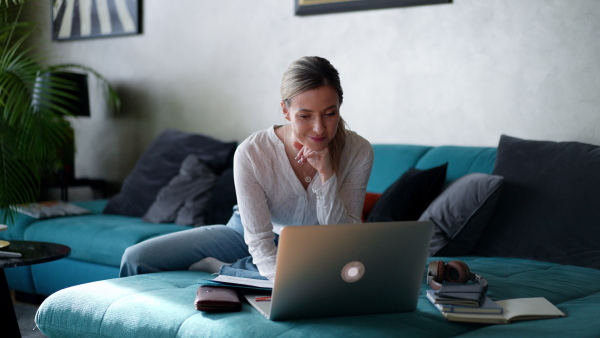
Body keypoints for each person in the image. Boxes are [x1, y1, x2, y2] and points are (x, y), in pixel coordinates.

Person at [119, 56, 373, 281]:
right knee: (137, 257)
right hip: (246, 234)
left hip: (316, 247)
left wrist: (327, 176)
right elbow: (259, 240)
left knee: (349, 274)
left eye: (330, 113)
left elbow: (345, 239)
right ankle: (236, 269)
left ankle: (224, 270)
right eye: (305, 116)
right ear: (285, 110)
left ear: (340, 106)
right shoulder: (253, 152)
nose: (319, 128)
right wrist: (283, 284)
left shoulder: (358, 151)